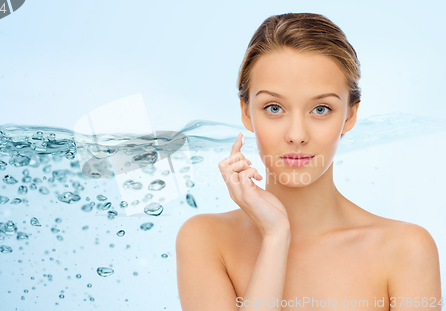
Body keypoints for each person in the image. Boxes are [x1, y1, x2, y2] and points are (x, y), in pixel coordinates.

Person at [175, 12, 441, 311]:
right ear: (247, 112)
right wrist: (276, 237)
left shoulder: (406, 249)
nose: (297, 135)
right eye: (274, 108)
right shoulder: (206, 240)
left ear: (350, 115)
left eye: (321, 109)